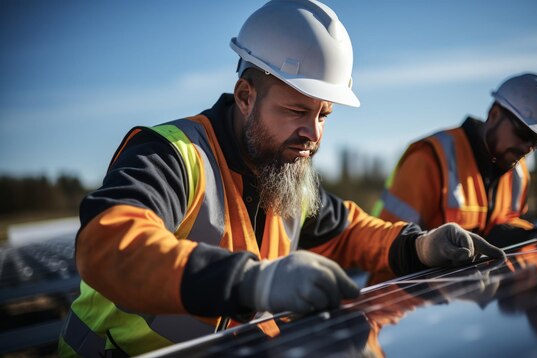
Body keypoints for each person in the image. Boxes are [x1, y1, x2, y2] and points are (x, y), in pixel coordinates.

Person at [57, 1, 504, 356]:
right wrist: (251, 282)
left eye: (323, 115)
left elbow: (348, 230)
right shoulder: (172, 153)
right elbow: (107, 244)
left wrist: (419, 246)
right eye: (296, 110)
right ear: (246, 96)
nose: (313, 135)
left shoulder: (282, 170)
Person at [372, 72, 537, 248]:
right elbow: (388, 244)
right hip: (402, 301)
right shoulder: (430, 159)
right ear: (495, 114)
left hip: (469, 297)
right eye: (524, 134)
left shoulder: (517, 172)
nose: (528, 148)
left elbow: (502, 227)